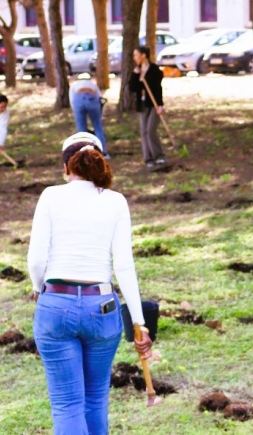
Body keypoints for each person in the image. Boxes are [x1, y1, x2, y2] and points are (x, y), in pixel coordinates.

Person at [27, 133, 152, 434]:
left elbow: (36, 259)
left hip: (56, 302)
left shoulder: (50, 195)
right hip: (103, 306)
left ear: (67, 168)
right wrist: (139, 322)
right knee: (95, 400)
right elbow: (123, 265)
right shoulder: (116, 201)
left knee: (67, 405)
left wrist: (37, 287)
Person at [128, 46, 165, 168]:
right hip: (142, 104)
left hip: (153, 104)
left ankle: (159, 155)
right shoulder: (137, 70)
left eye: (136, 55)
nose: (135, 58)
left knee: (150, 131)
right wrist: (135, 75)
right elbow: (132, 88)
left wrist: (160, 105)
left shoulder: (154, 70)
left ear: (144, 55)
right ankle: (148, 158)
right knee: (144, 132)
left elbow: (157, 89)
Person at [69, 78, 110, 159]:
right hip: (92, 98)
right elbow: (99, 97)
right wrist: (101, 112)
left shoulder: (74, 85)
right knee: (98, 127)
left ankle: (83, 153)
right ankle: (103, 153)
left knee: (81, 129)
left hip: (78, 99)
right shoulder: (92, 84)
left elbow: (72, 99)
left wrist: (75, 109)